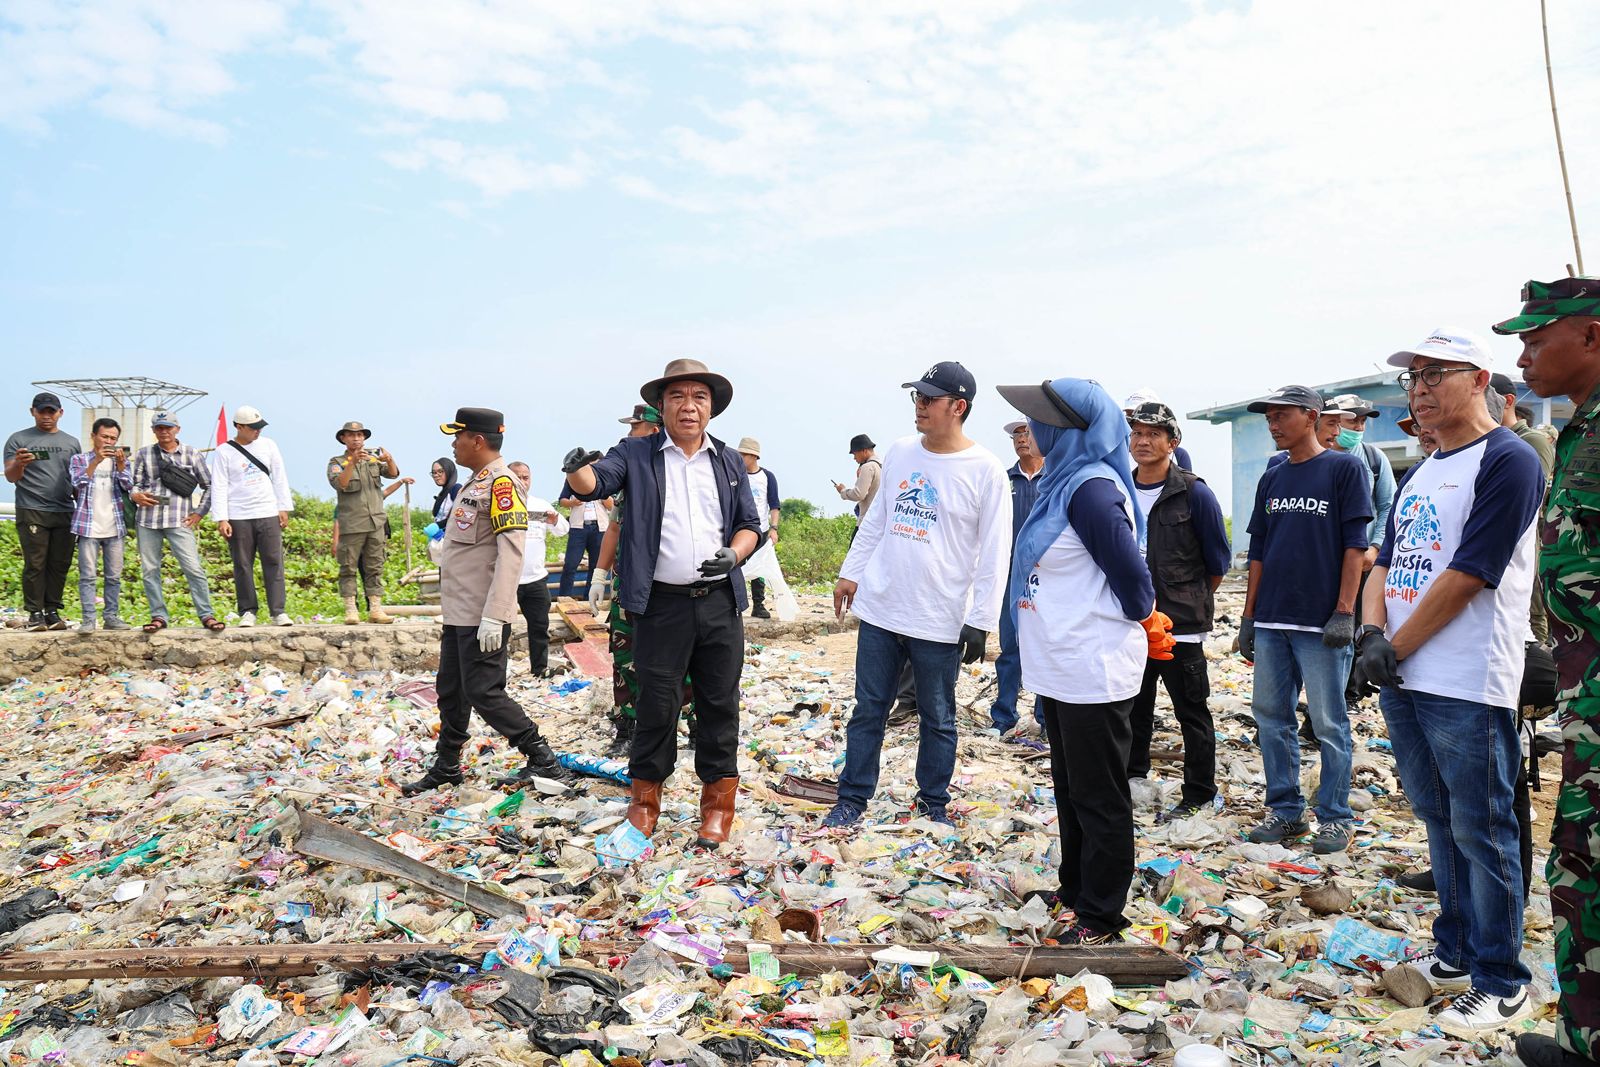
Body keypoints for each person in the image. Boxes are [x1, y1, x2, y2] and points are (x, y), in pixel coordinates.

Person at [1352, 329, 1542, 1037]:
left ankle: (1503, 979)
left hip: (1466, 678)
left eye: (1436, 373)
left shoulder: (1508, 460)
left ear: (1479, 377)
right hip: (1405, 672)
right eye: (1412, 377)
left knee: (1483, 826)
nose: (1420, 388)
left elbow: (1469, 574)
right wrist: (1372, 636)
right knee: (1437, 817)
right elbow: (1385, 563)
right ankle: (1457, 953)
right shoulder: (1424, 467)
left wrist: (1392, 646)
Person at [997, 378, 1172, 943]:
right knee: (1071, 788)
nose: (1034, 428)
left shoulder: (1092, 491)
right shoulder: (1060, 484)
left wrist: (1134, 620)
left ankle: (1101, 913)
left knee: (1100, 796)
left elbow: (1136, 584)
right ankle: (1075, 889)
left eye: (1043, 420)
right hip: (1060, 665)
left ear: (1073, 430)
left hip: (1092, 664)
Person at [563, 359, 761, 848]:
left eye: (698, 397)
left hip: (717, 601)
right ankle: (644, 803)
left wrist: (733, 556)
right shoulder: (636, 453)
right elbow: (596, 483)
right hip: (660, 606)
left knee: (719, 703)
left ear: (711, 407)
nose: (688, 407)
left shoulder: (729, 461)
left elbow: (751, 524)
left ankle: (716, 806)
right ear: (662, 406)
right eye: (678, 397)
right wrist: (577, 470)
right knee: (656, 703)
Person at [824, 361, 1011, 828]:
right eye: (917, 397)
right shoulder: (902, 452)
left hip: (940, 616)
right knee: (868, 709)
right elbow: (878, 519)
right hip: (884, 608)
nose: (920, 406)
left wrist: (982, 619)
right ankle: (852, 798)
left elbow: (995, 551)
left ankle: (932, 801)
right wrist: (852, 573)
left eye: (930, 399)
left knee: (938, 716)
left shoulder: (985, 470)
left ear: (959, 407)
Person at [1493, 277, 1600, 1067]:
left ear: (1591, 335)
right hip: (1584, 693)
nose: (1524, 355)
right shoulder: (1579, 429)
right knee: (1580, 868)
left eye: (1538, 337)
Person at [401, 408, 575, 795]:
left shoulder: (501, 484)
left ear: (477, 440)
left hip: (482, 613)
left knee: (484, 691)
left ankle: (544, 759)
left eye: (457, 437)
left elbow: (511, 552)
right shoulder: (473, 483)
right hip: (459, 611)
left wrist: (496, 615)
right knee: (451, 688)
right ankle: (447, 766)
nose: (453, 444)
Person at [1238, 385, 1371, 854]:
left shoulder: (1343, 468)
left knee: (1329, 723)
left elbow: (1355, 546)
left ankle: (1335, 817)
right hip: (1274, 619)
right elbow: (1258, 549)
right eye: (1268, 417)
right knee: (1272, 718)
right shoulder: (1273, 476)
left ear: (1311, 416)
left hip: (1321, 623)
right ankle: (1286, 811)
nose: (1273, 424)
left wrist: (1344, 612)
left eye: (1281, 415)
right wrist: (1249, 618)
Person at [1125, 402, 1231, 818]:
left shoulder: (1195, 492)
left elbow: (1217, 564)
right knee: (1133, 708)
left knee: (1192, 712)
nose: (1144, 441)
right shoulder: (1119, 487)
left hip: (1180, 628)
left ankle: (1199, 793)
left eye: (1153, 434)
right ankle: (1133, 779)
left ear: (1173, 442)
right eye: (1137, 433)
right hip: (1131, 624)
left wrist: (1187, 602)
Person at [588, 403, 696, 758]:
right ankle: (628, 726)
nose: (628, 432)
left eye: (634, 426)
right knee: (624, 651)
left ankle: (696, 725)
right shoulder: (629, 471)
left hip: (674, 584)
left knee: (688, 656)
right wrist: (600, 575)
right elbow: (615, 526)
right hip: (629, 580)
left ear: (652, 428)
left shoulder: (687, 471)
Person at [1320, 393, 1398, 713]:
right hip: (1323, 562)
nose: (1358, 426)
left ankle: (1348, 695)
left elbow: (1387, 508)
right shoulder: (1314, 458)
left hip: (1362, 562)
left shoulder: (1373, 459)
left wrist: (1376, 548)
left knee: (1354, 629)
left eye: (1363, 421)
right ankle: (1320, 694)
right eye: (1353, 419)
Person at [130, 412, 221, 633]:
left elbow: (209, 485)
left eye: (168, 427)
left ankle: (206, 614)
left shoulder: (192, 454)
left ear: (177, 429)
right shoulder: (144, 454)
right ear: (153, 430)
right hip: (148, 519)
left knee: (193, 568)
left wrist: (199, 513)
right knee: (150, 570)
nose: (164, 431)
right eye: (159, 427)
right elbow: (135, 483)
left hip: (179, 518)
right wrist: (136, 495)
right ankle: (158, 615)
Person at [209, 405, 293, 627]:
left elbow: (280, 476)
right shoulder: (223, 451)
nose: (258, 431)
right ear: (239, 427)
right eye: (253, 428)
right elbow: (218, 485)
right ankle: (248, 610)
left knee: (274, 561)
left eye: (259, 427)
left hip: (267, 511)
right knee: (242, 564)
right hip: (238, 514)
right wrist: (222, 518)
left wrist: (283, 507)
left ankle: (278, 611)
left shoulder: (268, 445)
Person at [4, 391, 81, 630]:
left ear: (60, 413)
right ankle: (34, 613)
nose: (47, 416)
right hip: (32, 508)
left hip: (64, 509)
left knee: (59, 563)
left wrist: (82, 509)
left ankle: (52, 610)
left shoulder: (71, 442)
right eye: (42, 411)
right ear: (32, 412)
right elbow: (10, 476)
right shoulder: (18, 439)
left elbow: (76, 479)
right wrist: (20, 463)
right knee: (35, 562)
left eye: (51, 411)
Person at [990, 419, 1044, 733]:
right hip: (1010, 574)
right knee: (1010, 647)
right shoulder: (1004, 479)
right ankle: (1003, 717)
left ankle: (1046, 718)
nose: (1021, 439)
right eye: (1016, 435)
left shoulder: (1055, 478)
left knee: (1044, 646)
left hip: (1046, 576)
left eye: (1027, 432)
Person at [327, 420, 399, 625]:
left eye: (360, 435)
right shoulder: (336, 462)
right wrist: (352, 463)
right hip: (352, 524)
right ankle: (351, 610)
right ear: (343, 438)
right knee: (348, 567)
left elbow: (392, 473)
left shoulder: (372, 459)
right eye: (351, 435)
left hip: (376, 521)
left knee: (375, 566)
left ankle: (376, 609)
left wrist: (389, 459)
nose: (356, 439)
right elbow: (341, 483)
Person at [68, 417, 133, 632]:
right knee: (88, 576)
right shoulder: (79, 459)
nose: (108, 442)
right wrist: (95, 461)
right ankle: (88, 620)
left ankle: (111, 617)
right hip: (88, 526)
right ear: (93, 436)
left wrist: (122, 466)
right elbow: (77, 483)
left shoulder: (120, 460)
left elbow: (129, 486)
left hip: (114, 527)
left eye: (113, 438)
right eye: (104, 436)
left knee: (114, 577)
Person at [507, 460, 567, 677]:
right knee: (501, 629)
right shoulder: (500, 505)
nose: (522, 481)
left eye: (526, 477)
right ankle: (496, 673)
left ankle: (539, 670)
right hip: (507, 580)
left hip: (535, 579)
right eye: (517, 477)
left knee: (539, 627)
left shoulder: (540, 505)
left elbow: (562, 530)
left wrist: (554, 519)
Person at [735, 437, 790, 620]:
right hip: (738, 529)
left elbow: (774, 505)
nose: (740, 457)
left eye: (743, 454)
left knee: (759, 568)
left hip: (761, 530)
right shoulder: (735, 475)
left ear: (753, 456)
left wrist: (773, 528)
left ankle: (759, 605)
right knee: (735, 567)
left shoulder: (767, 477)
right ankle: (736, 604)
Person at [556, 470, 613, 599]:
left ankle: (589, 599)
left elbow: (611, 506)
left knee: (596, 566)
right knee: (570, 564)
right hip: (578, 527)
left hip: (600, 528)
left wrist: (601, 493)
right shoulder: (573, 480)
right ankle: (565, 598)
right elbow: (562, 501)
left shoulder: (605, 482)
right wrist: (572, 503)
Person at [1123, 389, 1192, 470]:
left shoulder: (1178, 455)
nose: (1136, 419)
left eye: (1153, 434)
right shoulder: (1117, 453)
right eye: (1129, 414)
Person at [833, 434, 883, 528]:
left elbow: (859, 494)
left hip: (867, 522)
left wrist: (843, 491)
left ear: (864, 451)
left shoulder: (867, 467)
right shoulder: (881, 466)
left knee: (855, 543)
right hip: (879, 521)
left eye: (855, 454)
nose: (854, 458)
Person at [429, 458, 462, 525]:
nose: (436, 475)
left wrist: (438, 526)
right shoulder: (442, 493)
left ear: (449, 471)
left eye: (440, 471)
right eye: (434, 473)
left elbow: (458, 516)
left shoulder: (456, 489)